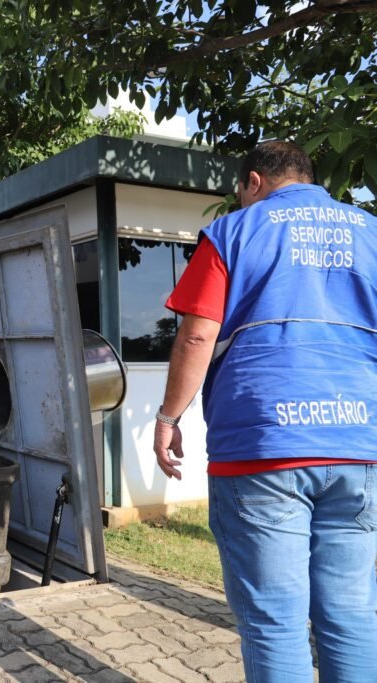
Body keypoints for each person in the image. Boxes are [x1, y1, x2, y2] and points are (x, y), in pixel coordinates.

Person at [154, 140, 377, 682]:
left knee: (275, 621)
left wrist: (168, 418)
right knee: (351, 615)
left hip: (265, 445)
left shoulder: (233, 232)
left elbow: (197, 335)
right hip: (359, 444)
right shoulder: (370, 232)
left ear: (253, 182)